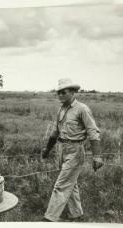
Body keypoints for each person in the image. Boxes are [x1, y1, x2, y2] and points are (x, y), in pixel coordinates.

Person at [41, 78, 103, 222]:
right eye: (58, 92)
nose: (60, 95)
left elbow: (93, 132)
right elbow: (55, 132)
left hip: (76, 150)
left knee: (61, 185)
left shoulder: (82, 109)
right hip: (61, 149)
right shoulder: (61, 109)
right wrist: (47, 149)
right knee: (70, 183)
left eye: (63, 92)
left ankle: (49, 219)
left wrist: (97, 156)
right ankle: (76, 215)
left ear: (73, 92)